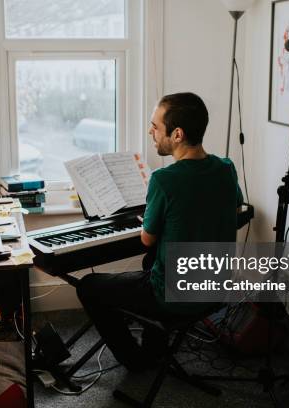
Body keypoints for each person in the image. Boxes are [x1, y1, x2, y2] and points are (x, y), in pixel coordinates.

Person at [76, 92, 243, 371]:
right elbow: (234, 209)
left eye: (155, 126)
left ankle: (136, 361)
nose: (150, 131)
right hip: (215, 289)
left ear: (177, 134)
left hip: (172, 296)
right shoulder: (226, 168)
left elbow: (147, 238)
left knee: (88, 286)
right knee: (151, 263)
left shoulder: (164, 180)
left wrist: (156, 219)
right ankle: (156, 348)